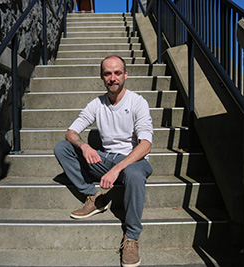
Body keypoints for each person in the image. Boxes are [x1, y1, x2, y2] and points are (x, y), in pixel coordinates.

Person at [54, 55, 153, 267]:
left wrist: (117, 169)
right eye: (108, 73)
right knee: (62, 148)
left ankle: (132, 237)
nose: (113, 78)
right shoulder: (97, 104)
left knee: (134, 174)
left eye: (117, 73)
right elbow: (71, 132)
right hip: (105, 159)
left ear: (125, 75)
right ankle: (94, 197)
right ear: (102, 76)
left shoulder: (137, 102)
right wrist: (85, 146)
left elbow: (145, 145)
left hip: (133, 160)